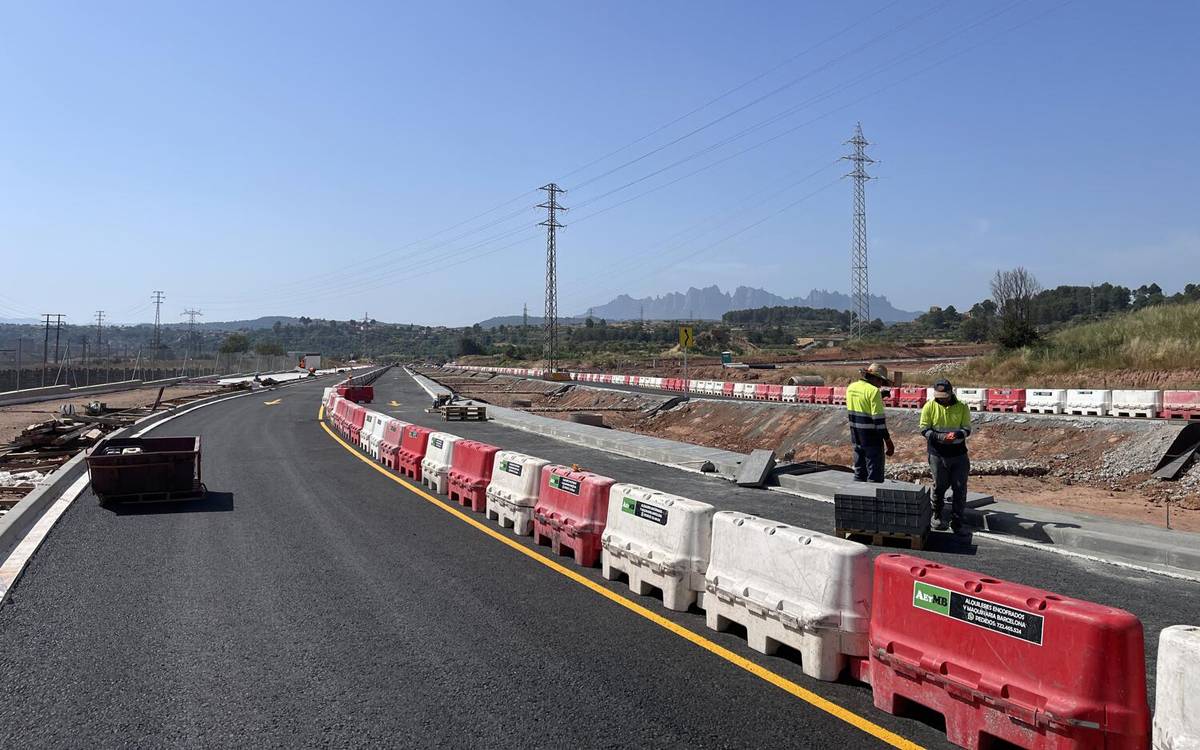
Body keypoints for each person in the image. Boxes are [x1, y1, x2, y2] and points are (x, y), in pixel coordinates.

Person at [919, 379, 972, 535]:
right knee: (939, 487)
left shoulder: (962, 407)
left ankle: (957, 522)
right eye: (939, 396)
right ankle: (937, 516)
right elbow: (924, 429)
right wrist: (939, 437)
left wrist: (956, 435)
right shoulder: (930, 406)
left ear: (951, 393)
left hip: (958, 454)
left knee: (960, 488)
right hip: (937, 454)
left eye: (944, 396)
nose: (941, 398)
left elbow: (967, 429)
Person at [846, 363, 895, 483]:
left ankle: (858, 498)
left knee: (859, 474)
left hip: (856, 437)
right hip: (872, 440)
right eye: (881, 382)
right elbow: (879, 422)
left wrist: (879, 396)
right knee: (874, 477)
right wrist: (888, 442)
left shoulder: (851, 387)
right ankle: (872, 500)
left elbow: (862, 403)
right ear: (876, 379)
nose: (881, 385)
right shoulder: (873, 392)